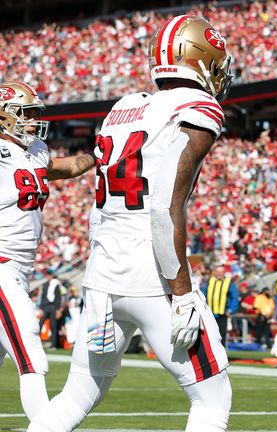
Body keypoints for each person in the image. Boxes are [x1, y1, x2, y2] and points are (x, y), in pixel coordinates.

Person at [27, 16, 234, 431]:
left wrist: (97, 268)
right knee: (212, 398)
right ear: (200, 58)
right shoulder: (198, 107)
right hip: (152, 275)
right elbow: (162, 205)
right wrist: (182, 294)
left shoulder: (124, 107)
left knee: (78, 394)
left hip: (103, 271)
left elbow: (98, 210)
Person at [0, 80, 95, 421]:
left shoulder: (36, 150)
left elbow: (65, 168)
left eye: (34, 114)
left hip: (22, 270)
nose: (31, 120)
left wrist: (98, 156)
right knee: (32, 360)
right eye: (24, 114)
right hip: (2, 267)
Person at [201, 265, 239, 346]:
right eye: (217, 272)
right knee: (210, 335)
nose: (219, 274)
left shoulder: (229, 283)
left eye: (221, 272)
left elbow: (235, 297)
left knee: (221, 336)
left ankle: (221, 356)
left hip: (223, 314)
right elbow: (202, 295)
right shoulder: (209, 282)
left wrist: (231, 310)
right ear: (215, 272)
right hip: (210, 314)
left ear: (224, 273)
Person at [37, 273, 65, 349]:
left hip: (53, 306)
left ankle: (53, 344)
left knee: (53, 325)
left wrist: (58, 309)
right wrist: (40, 308)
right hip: (45, 306)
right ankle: (36, 342)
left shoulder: (57, 284)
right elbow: (43, 297)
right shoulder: (45, 285)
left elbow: (59, 297)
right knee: (39, 324)